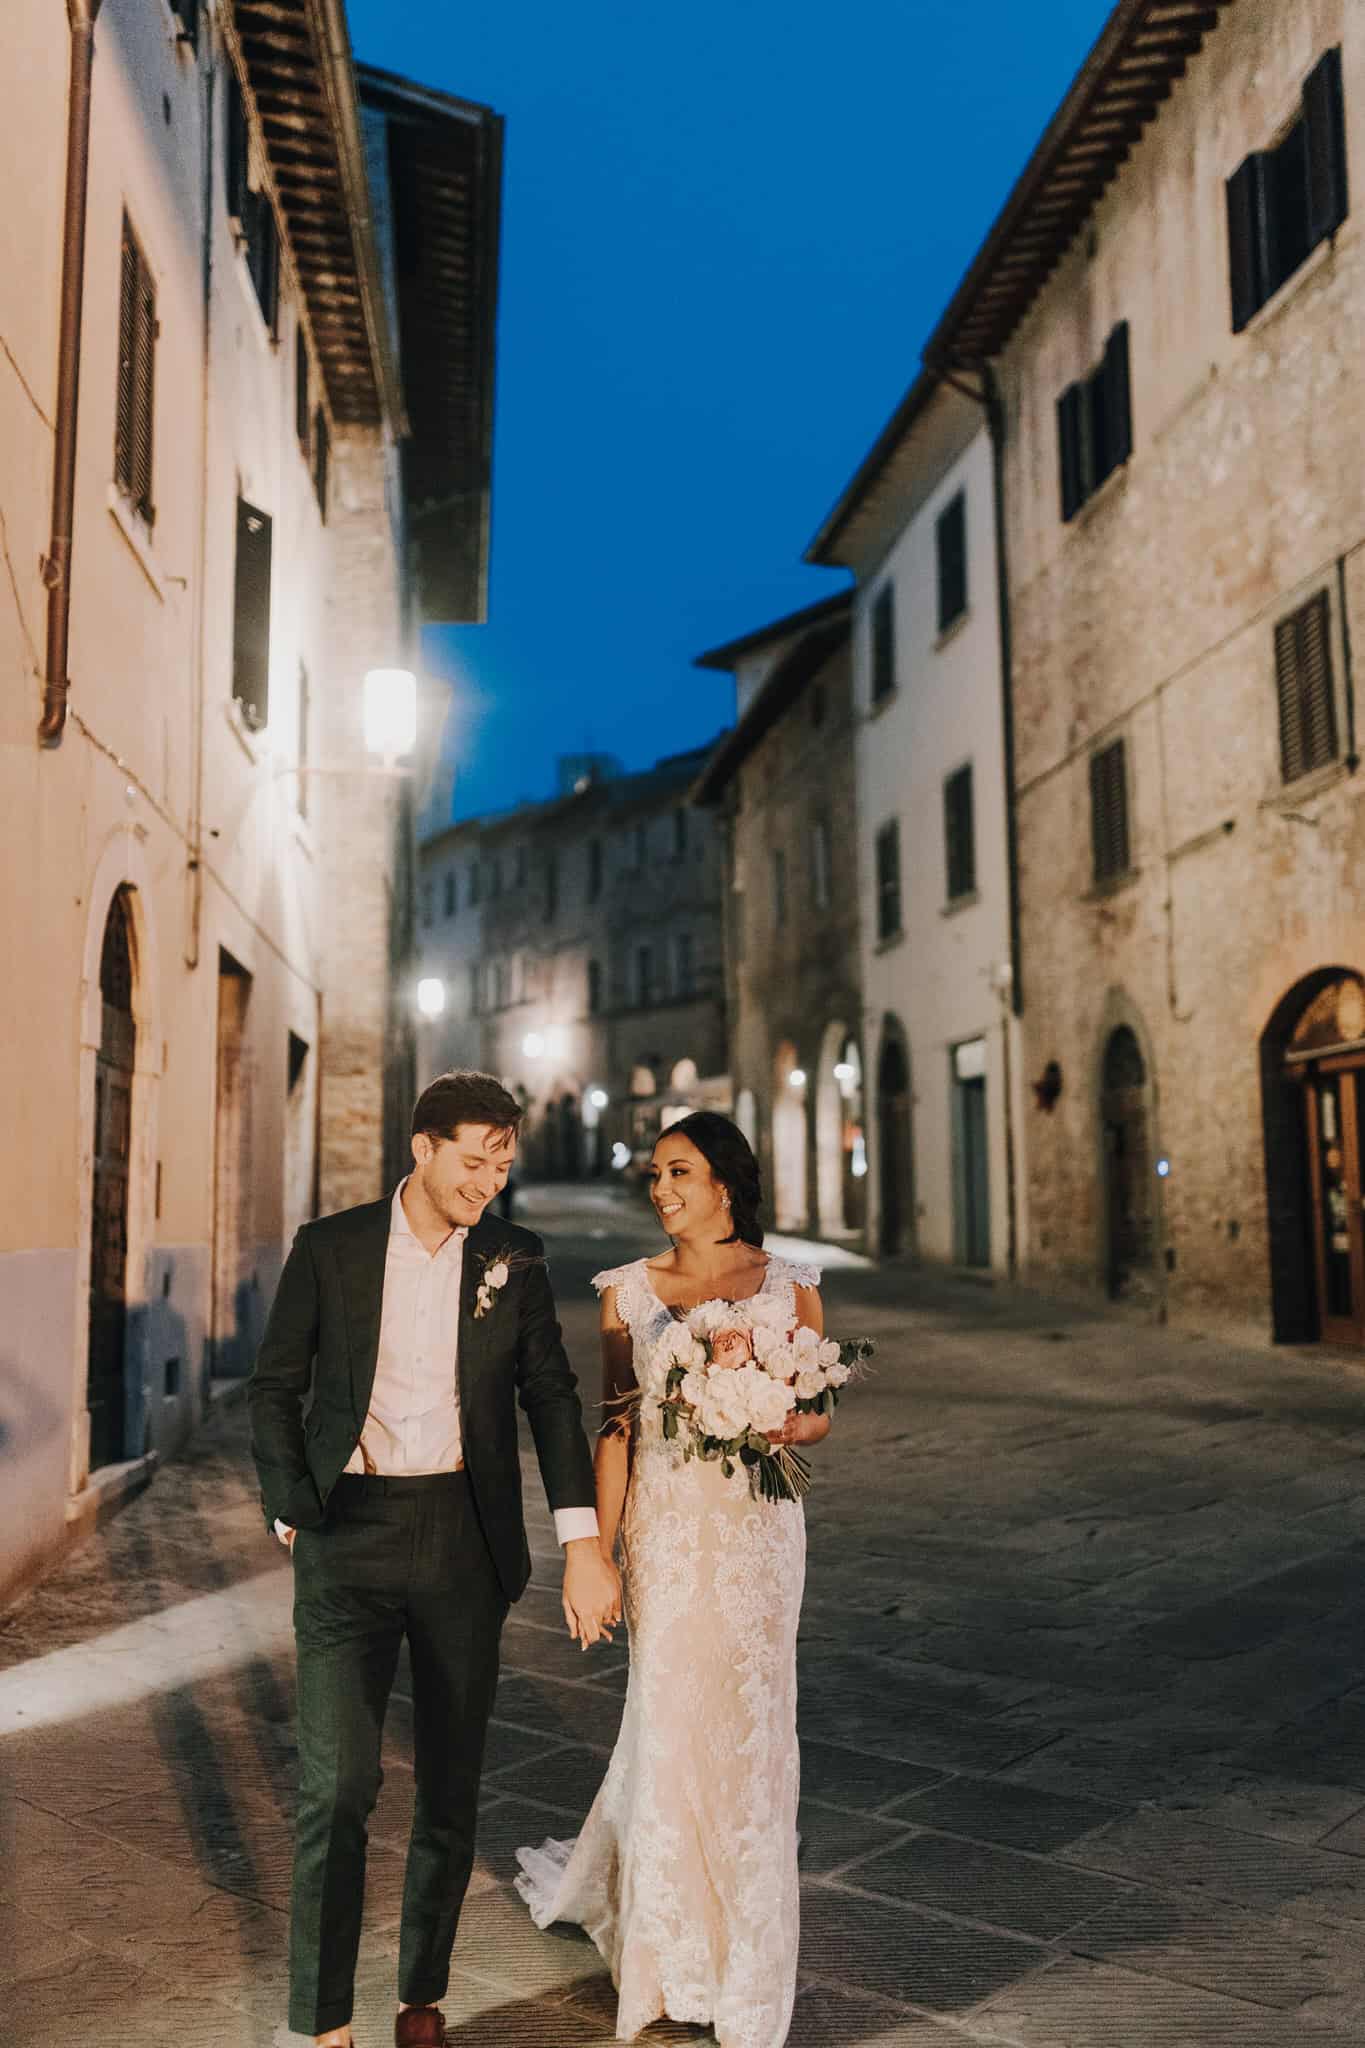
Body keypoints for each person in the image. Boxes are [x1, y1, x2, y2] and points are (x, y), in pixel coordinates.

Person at [248, 1070, 620, 2048]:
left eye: (503, 1164)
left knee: (450, 1789)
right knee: (337, 1786)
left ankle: (421, 1997)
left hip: (463, 1538)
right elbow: (275, 1384)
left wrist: (583, 1541)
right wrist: (292, 1504)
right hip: (348, 1532)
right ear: (422, 1147)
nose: (489, 1182)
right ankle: (322, 2020)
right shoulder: (331, 1248)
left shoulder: (512, 1258)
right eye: (474, 1160)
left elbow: (551, 1396)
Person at [515, 1111, 829, 2048]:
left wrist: (782, 1416)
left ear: (724, 1182)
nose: (660, 1189)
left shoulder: (789, 1284)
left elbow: (817, 1413)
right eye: (655, 1174)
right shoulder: (626, 1292)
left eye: (678, 1172)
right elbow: (615, 1428)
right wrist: (598, 1554)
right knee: (668, 1721)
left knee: (754, 1731)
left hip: (759, 1538)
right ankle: (667, 1964)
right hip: (669, 1537)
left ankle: (747, 1967)